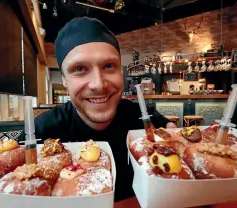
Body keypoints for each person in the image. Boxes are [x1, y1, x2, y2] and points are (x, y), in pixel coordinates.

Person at [32, 17, 176, 202]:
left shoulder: (147, 121)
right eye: (80, 69)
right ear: (64, 80)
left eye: (109, 66)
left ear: (120, 72)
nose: (98, 84)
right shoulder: (42, 132)